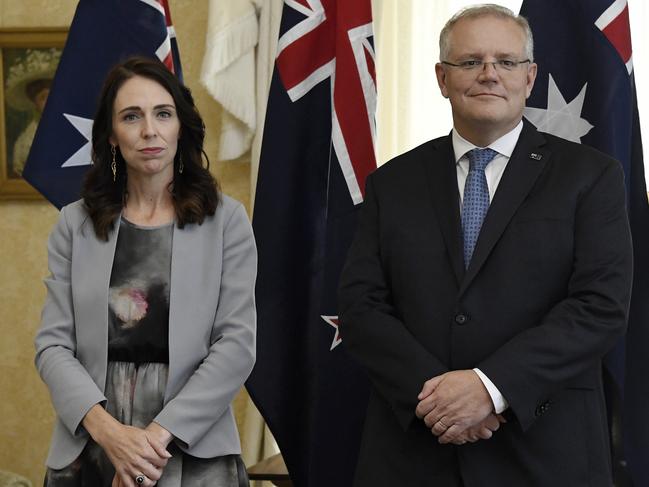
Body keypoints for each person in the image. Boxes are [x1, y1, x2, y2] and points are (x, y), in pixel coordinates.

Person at [338, 5, 633, 486]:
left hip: (545, 450)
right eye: (470, 61)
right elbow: (361, 306)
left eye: (507, 62)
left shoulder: (591, 177)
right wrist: (439, 400)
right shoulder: (392, 182)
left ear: (530, 76)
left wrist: (490, 388)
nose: (489, 74)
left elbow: (599, 306)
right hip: (416, 450)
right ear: (442, 78)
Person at [34, 57, 256, 487]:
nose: (150, 130)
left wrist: (150, 443)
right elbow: (52, 347)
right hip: (92, 442)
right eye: (131, 116)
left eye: (163, 114)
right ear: (112, 136)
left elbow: (236, 346)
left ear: (180, 127)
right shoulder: (73, 224)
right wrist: (112, 436)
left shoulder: (227, 221)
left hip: (192, 445)